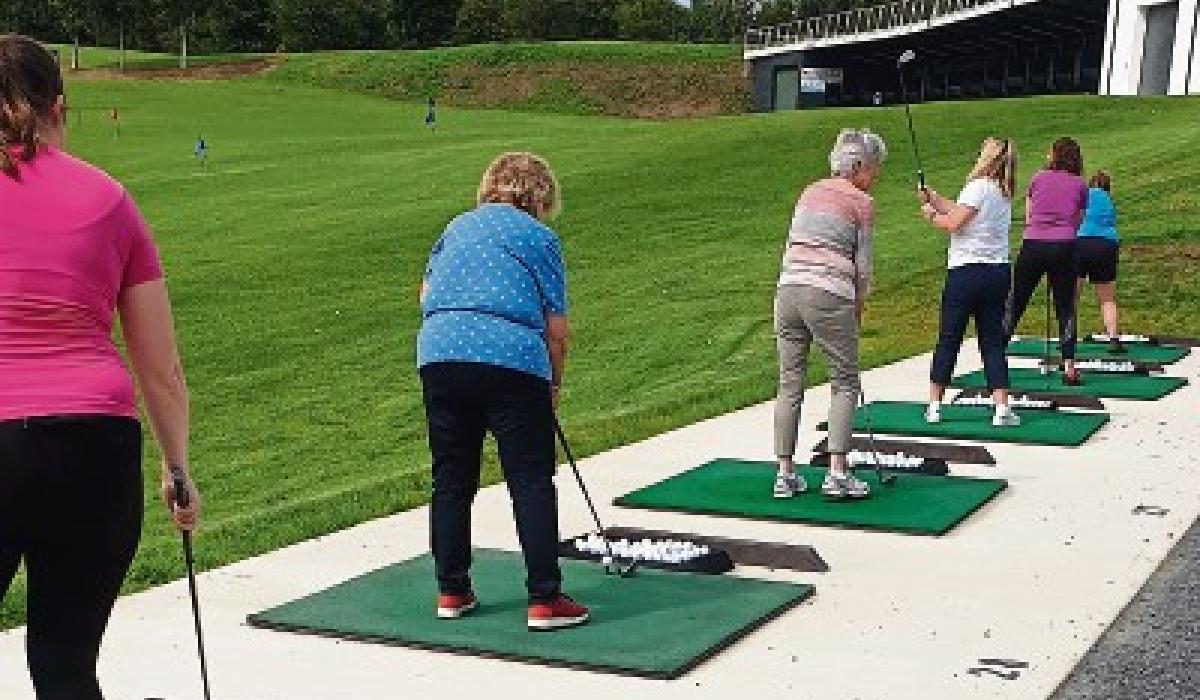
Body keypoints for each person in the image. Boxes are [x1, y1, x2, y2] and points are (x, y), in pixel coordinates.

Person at [0, 35, 198, 700]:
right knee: (65, 667)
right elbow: (160, 367)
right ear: (61, 107)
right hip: (94, 448)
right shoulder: (110, 200)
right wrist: (176, 469)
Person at [417, 152, 588, 631]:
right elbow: (556, 330)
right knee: (530, 479)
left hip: (441, 354)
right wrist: (552, 384)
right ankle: (544, 599)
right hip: (512, 360)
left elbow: (425, 296)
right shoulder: (540, 238)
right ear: (540, 196)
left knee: (451, 478)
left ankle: (451, 591)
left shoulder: (456, 227)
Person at [773, 128, 886, 501]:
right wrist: (858, 308)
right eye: (873, 169)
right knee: (844, 379)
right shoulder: (862, 203)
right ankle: (837, 472)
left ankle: (785, 473)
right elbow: (863, 267)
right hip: (827, 292)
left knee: (791, 381)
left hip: (787, 290)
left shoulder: (809, 191)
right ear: (857, 166)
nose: (875, 177)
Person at [918, 138, 1021, 427]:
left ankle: (934, 405)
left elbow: (953, 223)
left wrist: (930, 215)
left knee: (949, 339)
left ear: (986, 158)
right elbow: (965, 210)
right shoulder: (1003, 191)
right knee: (992, 342)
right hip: (997, 274)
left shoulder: (979, 186)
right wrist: (936, 199)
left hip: (966, 273)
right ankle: (1001, 407)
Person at [1005, 137, 1088, 385]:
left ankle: (996, 355)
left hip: (1034, 244)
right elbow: (1078, 220)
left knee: (1017, 299)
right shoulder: (1080, 184)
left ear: (1055, 155)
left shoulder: (1038, 178)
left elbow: (1030, 214)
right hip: (1063, 245)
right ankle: (1069, 366)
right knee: (1065, 306)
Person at [1075, 170, 1124, 353]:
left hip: (1081, 242)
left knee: (1072, 296)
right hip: (1107, 246)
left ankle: (1067, 337)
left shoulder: (1084, 195)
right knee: (1107, 299)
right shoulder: (1109, 201)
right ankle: (1113, 338)